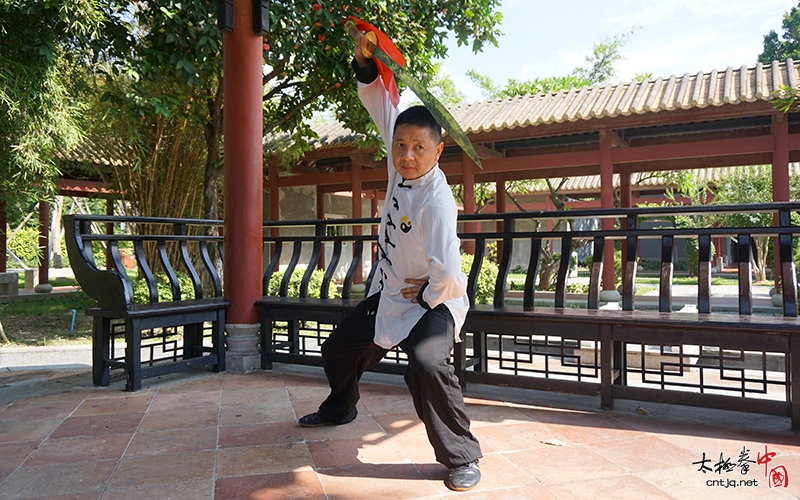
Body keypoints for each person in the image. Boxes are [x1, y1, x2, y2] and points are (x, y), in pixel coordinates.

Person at [296, 31, 483, 492]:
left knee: (425, 362)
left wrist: (425, 292)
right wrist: (365, 62)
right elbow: (381, 104)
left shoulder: (438, 202)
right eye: (401, 146)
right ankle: (341, 408)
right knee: (338, 349)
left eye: (420, 148)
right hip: (389, 292)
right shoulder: (397, 156)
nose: (407, 155)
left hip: (434, 301)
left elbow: (448, 272)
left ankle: (461, 456)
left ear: (438, 151)